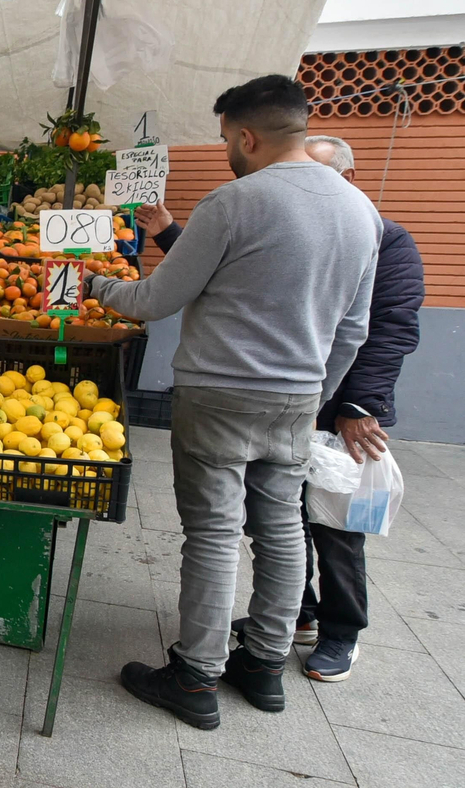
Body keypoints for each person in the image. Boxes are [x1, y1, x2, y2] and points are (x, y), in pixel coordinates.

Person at [85, 75, 381, 730]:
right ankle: (266, 666)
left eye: (225, 139)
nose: (227, 151)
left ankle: (195, 676)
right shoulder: (363, 214)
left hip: (219, 393)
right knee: (279, 528)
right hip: (297, 398)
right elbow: (355, 328)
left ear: (247, 134)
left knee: (215, 532)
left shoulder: (235, 203)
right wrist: (315, 394)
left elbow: (156, 300)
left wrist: (93, 282)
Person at [136, 135, 424, 683]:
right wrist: (171, 234)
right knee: (282, 524)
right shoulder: (307, 216)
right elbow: (234, 276)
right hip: (301, 395)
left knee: (326, 525)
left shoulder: (383, 238)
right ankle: (280, 642)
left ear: (349, 178)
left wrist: (352, 403)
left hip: (332, 404)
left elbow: (383, 331)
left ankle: (332, 634)